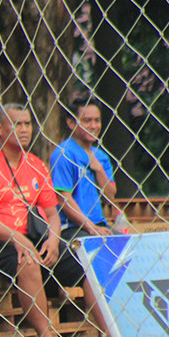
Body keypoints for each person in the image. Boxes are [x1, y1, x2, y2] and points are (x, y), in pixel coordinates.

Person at [0, 103, 109, 337]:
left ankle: (109, 335)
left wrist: (54, 241)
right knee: (28, 261)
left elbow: (52, 214)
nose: (23, 130)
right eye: (16, 124)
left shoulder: (35, 164)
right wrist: (18, 239)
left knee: (86, 259)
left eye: (27, 124)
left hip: (31, 237)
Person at [49, 97, 117, 239]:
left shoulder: (101, 156)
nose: (93, 126)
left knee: (128, 249)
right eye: (87, 121)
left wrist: (98, 169)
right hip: (72, 227)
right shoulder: (64, 154)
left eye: (97, 120)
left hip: (99, 224)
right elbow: (63, 199)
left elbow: (110, 196)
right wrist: (90, 227)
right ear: (71, 123)